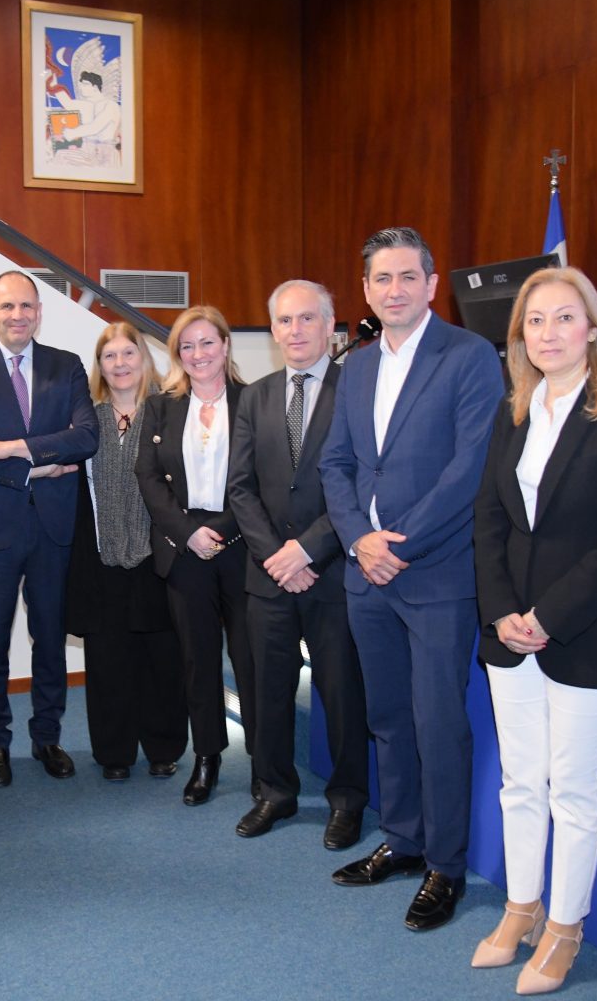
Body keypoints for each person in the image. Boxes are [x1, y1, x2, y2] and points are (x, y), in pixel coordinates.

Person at [470, 266, 597, 994]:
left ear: (592, 329)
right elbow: (488, 520)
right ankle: (521, 908)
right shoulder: (513, 411)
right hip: (508, 634)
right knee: (519, 781)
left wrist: (547, 618)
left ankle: (564, 927)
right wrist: (502, 613)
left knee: (572, 790)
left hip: (587, 634)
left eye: (563, 317)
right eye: (534, 320)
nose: (548, 333)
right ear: (519, 335)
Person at [319, 227, 504, 931]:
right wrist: (359, 541)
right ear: (366, 290)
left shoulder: (469, 356)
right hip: (367, 575)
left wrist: (399, 543)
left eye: (406, 277)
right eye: (381, 279)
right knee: (389, 718)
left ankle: (445, 866)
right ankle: (403, 839)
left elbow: (470, 467)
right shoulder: (358, 365)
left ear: (431, 284)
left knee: (438, 723)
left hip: (435, 574)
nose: (393, 290)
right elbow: (336, 463)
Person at [228, 280, 369, 848]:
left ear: (330, 327)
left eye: (307, 318)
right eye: (284, 321)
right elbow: (241, 488)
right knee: (268, 691)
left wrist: (307, 550)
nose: (295, 330)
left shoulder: (356, 389)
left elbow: (361, 485)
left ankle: (348, 799)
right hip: (269, 577)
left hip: (332, 573)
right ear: (273, 330)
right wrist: (276, 557)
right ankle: (275, 792)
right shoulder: (255, 397)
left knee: (342, 695)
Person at [0, 271, 97, 787]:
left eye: (27, 306)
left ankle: (47, 736)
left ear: (39, 312)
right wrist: (36, 469)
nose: (17, 315)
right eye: (7, 306)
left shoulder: (66, 365)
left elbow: (86, 437)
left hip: (53, 529)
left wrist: (9, 449)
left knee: (50, 638)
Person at [134, 305, 253, 807]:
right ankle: (207, 756)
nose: (198, 353)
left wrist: (219, 530)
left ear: (225, 345)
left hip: (243, 545)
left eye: (207, 342)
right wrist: (188, 534)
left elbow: (263, 478)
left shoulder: (253, 400)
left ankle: (265, 760)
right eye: (187, 345)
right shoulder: (160, 407)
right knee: (198, 660)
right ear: (176, 354)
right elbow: (147, 477)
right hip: (184, 550)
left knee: (250, 658)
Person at [65, 323, 187, 781]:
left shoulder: (167, 414)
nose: (120, 364)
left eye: (128, 353)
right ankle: (114, 752)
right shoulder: (87, 422)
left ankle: (163, 747)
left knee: (162, 658)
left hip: (159, 558)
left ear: (144, 359)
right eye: (110, 356)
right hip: (102, 558)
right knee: (108, 661)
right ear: (100, 366)